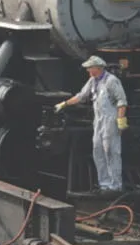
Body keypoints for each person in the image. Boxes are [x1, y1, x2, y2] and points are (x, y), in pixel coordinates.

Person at [55, 56, 129, 195]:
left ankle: (115, 185)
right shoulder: (93, 81)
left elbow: (121, 101)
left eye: (90, 67)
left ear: (98, 67)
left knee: (111, 151)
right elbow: (81, 96)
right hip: (99, 121)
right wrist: (64, 104)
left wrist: (121, 120)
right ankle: (104, 184)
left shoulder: (111, 81)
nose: (88, 70)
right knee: (98, 150)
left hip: (111, 120)